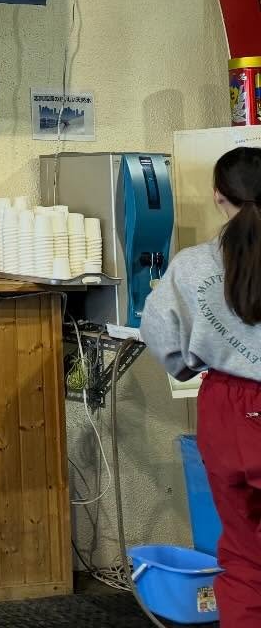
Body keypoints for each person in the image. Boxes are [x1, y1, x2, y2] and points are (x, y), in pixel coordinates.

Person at [141, 147, 261, 625]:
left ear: (218, 196)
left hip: (227, 412)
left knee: (245, 554)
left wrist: (188, 365)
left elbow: (163, 337)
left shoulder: (191, 267)